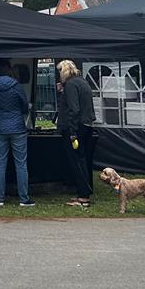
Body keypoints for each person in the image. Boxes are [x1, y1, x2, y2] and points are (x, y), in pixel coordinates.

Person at [0, 63, 34, 207]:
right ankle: (23, 198)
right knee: (21, 163)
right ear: (10, 71)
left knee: (0, 163)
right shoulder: (16, 86)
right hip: (17, 128)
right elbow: (24, 106)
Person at [56, 60, 95, 208]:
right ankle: (84, 192)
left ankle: (83, 196)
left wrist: (72, 132)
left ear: (63, 71)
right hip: (86, 125)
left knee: (77, 161)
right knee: (82, 160)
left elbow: (74, 109)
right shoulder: (81, 82)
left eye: (59, 71)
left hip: (76, 127)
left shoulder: (71, 85)